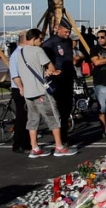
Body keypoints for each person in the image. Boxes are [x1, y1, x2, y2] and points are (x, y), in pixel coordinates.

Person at [13, 29, 77, 158]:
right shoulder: (38, 51)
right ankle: (59, 147)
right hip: (41, 91)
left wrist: (21, 87)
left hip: (28, 93)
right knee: (53, 117)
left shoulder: (19, 53)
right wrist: (49, 72)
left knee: (32, 120)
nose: (42, 42)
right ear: (34, 38)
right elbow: (51, 67)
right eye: (40, 39)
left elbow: (16, 75)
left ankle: (34, 147)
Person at [42, 17, 80, 146]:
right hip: (57, 79)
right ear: (59, 29)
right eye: (65, 31)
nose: (67, 34)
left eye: (69, 31)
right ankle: (61, 138)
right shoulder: (50, 43)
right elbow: (43, 59)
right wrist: (49, 70)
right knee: (59, 109)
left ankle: (65, 135)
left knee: (67, 108)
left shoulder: (68, 41)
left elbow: (69, 58)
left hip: (68, 78)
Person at [7, 31, 32, 154]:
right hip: (19, 89)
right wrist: (21, 87)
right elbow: (15, 75)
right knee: (22, 118)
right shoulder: (17, 54)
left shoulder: (25, 53)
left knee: (27, 117)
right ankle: (19, 144)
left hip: (26, 88)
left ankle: (27, 143)